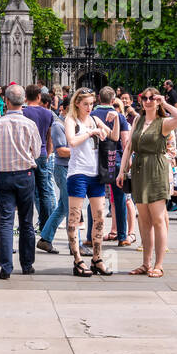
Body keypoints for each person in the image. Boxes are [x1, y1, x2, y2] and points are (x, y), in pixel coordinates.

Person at [117, 86, 177, 275]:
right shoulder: (138, 120)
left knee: (158, 219)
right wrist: (122, 171)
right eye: (145, 97)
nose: (148, 101)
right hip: (139, 169)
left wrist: (164, 103)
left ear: (157, 100)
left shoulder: (163, 122)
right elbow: (129, 147)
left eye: (152, 98)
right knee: (143, 220)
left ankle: (159, 264)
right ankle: (146, 263)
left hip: (156, 169)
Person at [0, 83, 41, 279]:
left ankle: (6, 267)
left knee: (6, 222)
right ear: (23, 101)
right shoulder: (30, 124)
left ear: (6, 101)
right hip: (25, 175)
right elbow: (38, 152)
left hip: (4, 175)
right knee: (26, 221)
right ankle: (27, 263)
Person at [63, 88, 113, 277]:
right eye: (86, 104)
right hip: (78, 173)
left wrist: (115, 119)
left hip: (96, 174)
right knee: (74, 218)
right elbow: (72, 142)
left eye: (92, 103)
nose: (89, 107)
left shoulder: (94, 119)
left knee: (99, 217)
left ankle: (97, 258)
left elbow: (113, 137)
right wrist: (91, 132)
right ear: (77, 103)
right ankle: (77, 259)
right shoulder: (71, 120)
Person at [86, 86, 130, 250]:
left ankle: (91, 236)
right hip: (115, 159)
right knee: (119, 199)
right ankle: (122, 236)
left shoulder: (92, 114)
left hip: (96, 160)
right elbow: (125, 141)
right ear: (113, 101)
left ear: (98, 98)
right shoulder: (119, 116)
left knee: (94, 198)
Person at [37, 104, 70, 253]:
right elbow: (61, 151)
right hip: (63, 168)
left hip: (71, 168)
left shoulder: (73, 124)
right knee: (71, 208)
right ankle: (75, 243)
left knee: (64, 207)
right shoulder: (58, 125)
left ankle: (45, 238)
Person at [23, 83, 56, 229]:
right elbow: (50, 138)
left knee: (27, 191)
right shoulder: (48, 113)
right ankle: (46, 224)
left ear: (25, 97)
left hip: (27, 154)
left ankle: (27, 223)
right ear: (38, 97)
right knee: (44, 191)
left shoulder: (23, 112)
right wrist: (48, 154)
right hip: (42, 153)